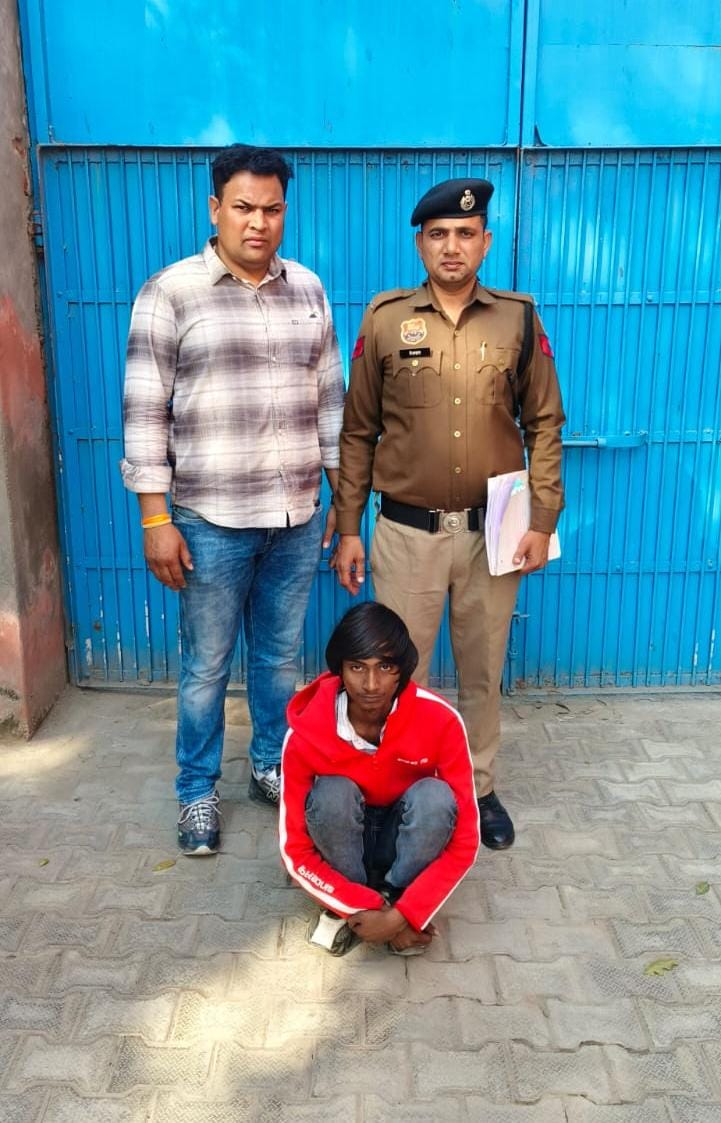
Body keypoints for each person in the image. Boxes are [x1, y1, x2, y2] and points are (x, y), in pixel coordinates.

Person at [121, 144, 344, 855]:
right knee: (206, 667)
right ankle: (196, 790)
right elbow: (144, 413)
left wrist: (343, 504)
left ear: (285, 211)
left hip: (296, 517)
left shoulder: (308, 289)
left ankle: (270, 765)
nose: (258, 222)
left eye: (272, 209)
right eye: (243, 207)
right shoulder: (171, 292)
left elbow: (330, 403)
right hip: (209, 521)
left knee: (278, 661)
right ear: (215, 208)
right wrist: (155, 519)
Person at [332, 178, 565, 850]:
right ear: (420, 245)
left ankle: (478, 787)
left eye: (465, 233)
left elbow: (545, 422)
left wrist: (542, 520)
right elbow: (357, 431)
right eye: (438, 234)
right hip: (406, 532)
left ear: (485, 242)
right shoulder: (384, 319)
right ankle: (400, 788)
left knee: (482, 669)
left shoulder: (518, 319)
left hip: (494, 532)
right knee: (396, 672)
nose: (452, 246)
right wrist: (348, 527)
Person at [279, 602, 480, 956]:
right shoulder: (305, 731)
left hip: (400, 838)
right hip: (342, 842)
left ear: (402, 670)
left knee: (436, 798)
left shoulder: (442, 721)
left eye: (385, 667)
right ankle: (349, 907)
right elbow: (294, 850)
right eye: (357, 667)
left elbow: (465, 841)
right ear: (339, 669)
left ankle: (395, 894)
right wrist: (364, 908)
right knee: (331, 794)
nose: (371, 685)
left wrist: (403, 912)